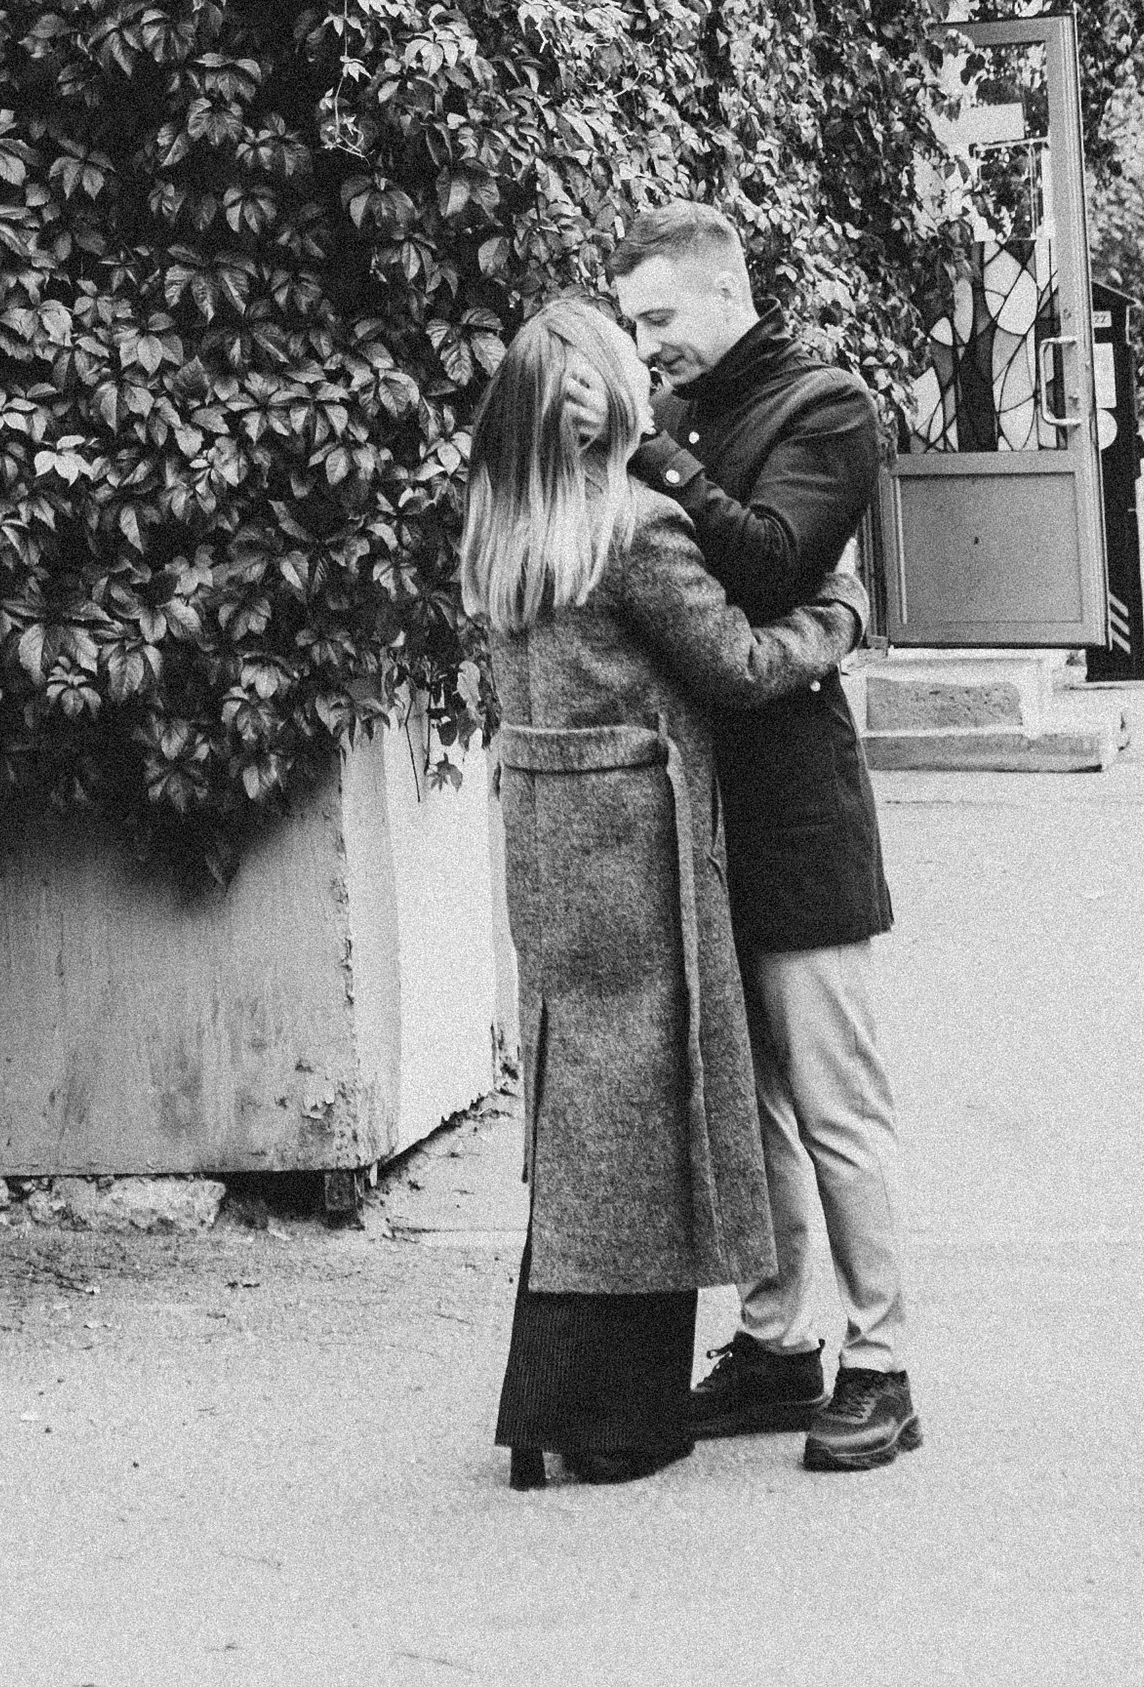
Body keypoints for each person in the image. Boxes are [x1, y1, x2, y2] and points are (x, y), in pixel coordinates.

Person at [464, 292, 870, 1492]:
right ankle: (606, 1419)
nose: (644, 360)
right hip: (641, 842)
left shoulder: (502, 528)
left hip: (550, 839)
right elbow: (739, 668)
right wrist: (834, 619)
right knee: (640, 1120)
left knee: (581, 1116)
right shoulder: (634, 529)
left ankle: (551, 1401)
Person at [614, 199, 921, 1475]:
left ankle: (884, 1364)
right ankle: (780, 1346)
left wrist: (655, 462)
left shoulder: (825, 406)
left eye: (658, 319)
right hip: (699, 804)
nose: (645, 348)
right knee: (754, 1107)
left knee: (835, 1102)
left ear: (723, 289)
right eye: (629, 328)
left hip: (795, 806)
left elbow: (772, 568)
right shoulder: (680, 410)